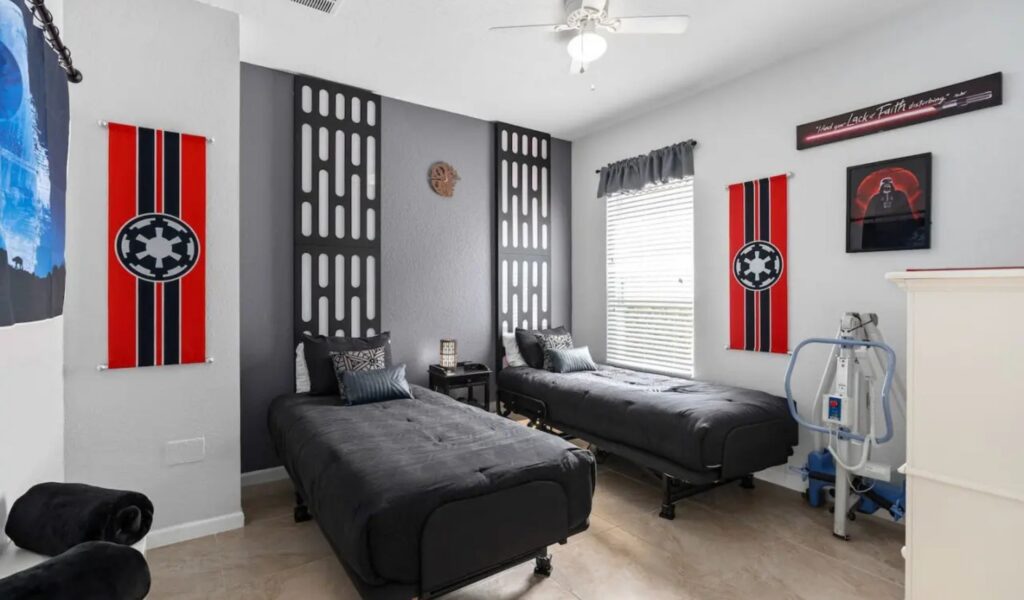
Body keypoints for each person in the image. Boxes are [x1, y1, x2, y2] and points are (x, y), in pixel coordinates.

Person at [860, 177, 922, 250]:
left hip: (898, 232)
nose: (887, 187)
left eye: (889, 185)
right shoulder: (875, 198)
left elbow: (906, 213)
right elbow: (869, 219)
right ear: (881, 187)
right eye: (884, 185)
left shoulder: (900, 195)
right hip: (880, 234)